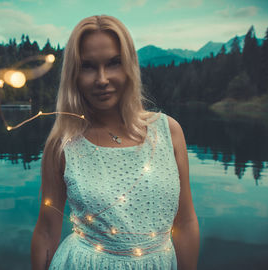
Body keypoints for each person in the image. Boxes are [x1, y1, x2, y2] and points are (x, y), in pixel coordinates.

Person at [31, 15, 199, 270]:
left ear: (129, 66)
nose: (101, 79)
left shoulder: (168, 132)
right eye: (88, 66)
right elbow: (46, 229)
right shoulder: (63, 143)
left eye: (113, 63)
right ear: (74, 75)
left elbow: (185, 222)